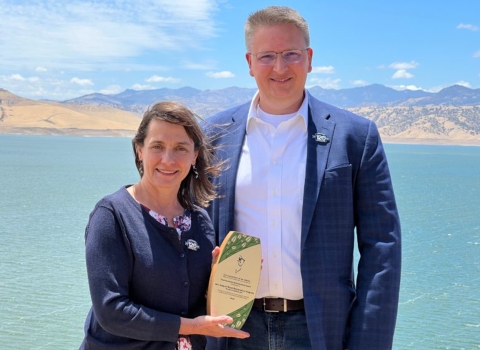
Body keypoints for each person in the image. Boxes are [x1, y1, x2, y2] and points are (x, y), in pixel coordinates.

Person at [202, 6, 401, 350]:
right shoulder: (214, 135)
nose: (280, 67)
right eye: (267, 56)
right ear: (250, 63)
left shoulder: (355, 136)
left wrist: (369, 340)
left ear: (309, 58)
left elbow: (382, 247)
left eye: (291, 54)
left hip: (320, 331)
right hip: (233, 330)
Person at [80, 101, 249, 349]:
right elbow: (111, 312)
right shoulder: (112, 215)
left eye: (180, 148)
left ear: (194, 156)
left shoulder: (200, 221)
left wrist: (222, 278)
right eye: (157, 146)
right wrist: (191, 327)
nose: (168, 159)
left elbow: (196, 304)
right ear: (140, 150)